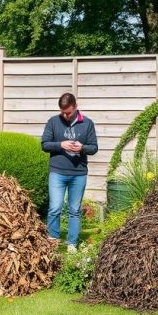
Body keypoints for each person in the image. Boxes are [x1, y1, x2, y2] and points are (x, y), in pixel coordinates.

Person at [40, 93, 98, 252]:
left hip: (78, 173)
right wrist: (61, 145)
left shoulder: (87, 124)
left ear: (75, 107)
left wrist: (82, 148)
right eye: (63, 112)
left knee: (74, 210)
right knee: (55, 207)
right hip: (57, 172)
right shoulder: (53, 121)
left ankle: (72, 244)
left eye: (68, 112)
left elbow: (94, 148)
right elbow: (44, 145)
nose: (65, 115)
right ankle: (53, 241)